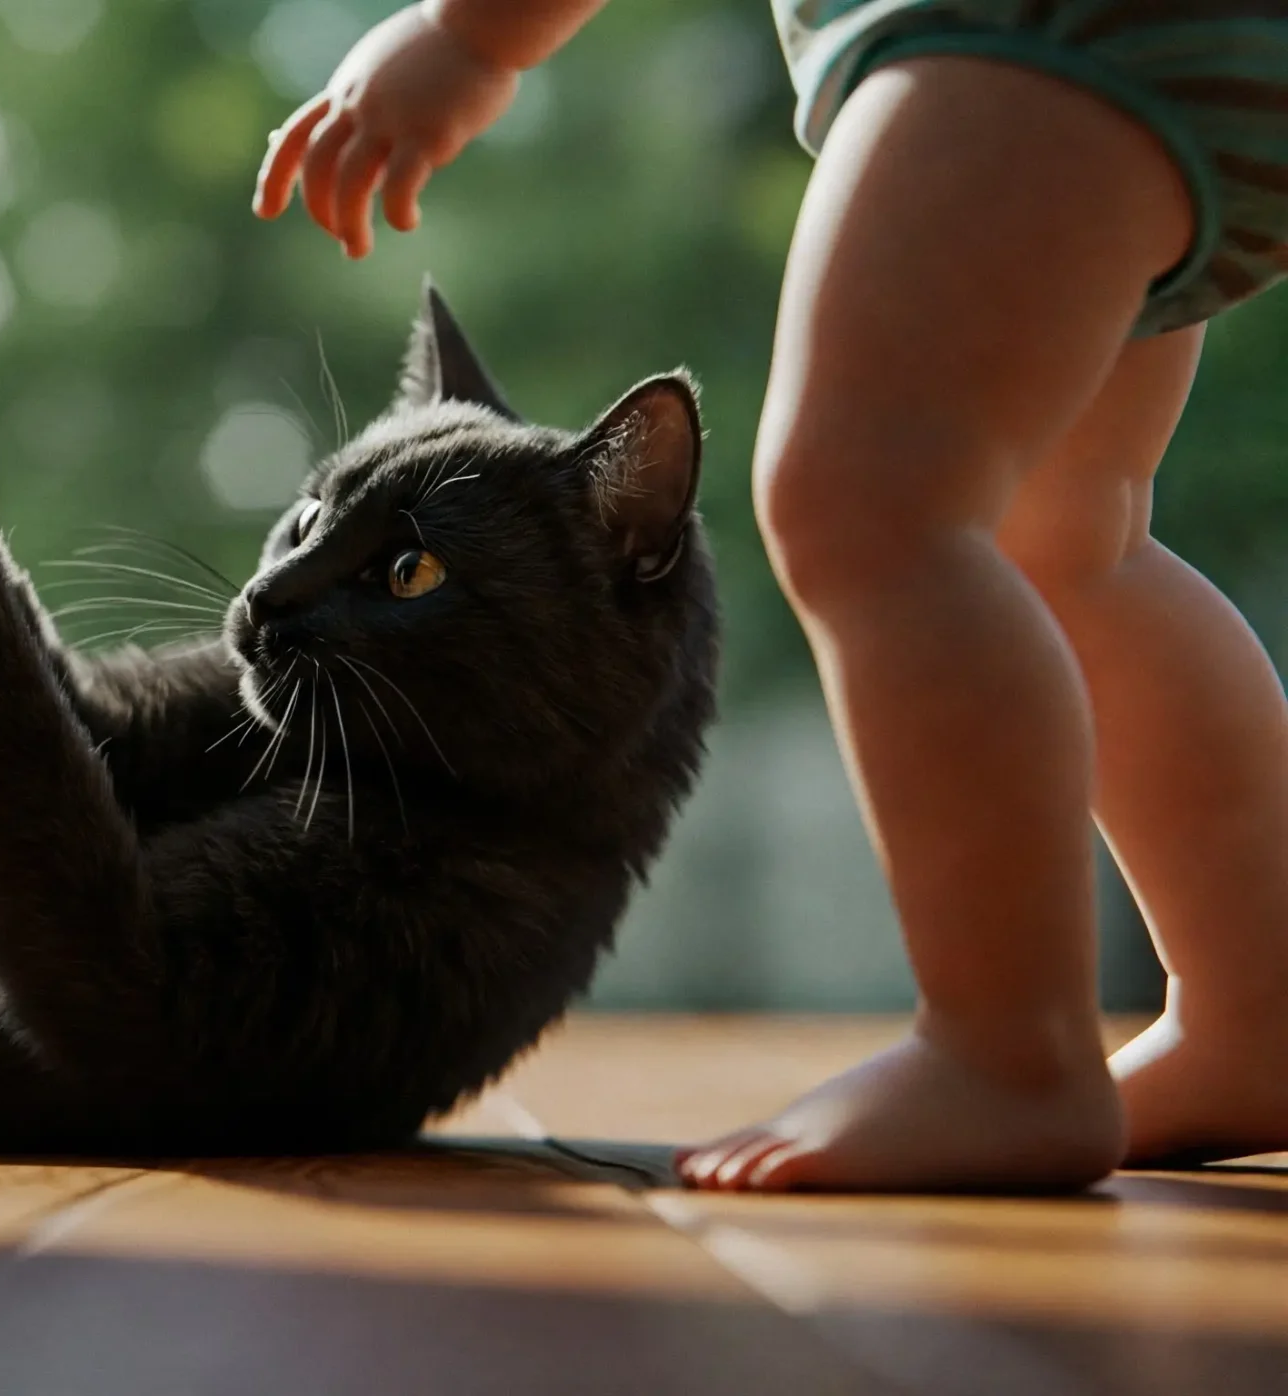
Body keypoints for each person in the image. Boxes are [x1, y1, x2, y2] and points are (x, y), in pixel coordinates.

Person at [257, 0, 1288, 1190]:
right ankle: (1253, 1006)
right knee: (1064, 543)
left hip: (1028, 32)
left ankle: (1006, 1054)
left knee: (863, 498)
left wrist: (468, 35)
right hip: (1194, 58)